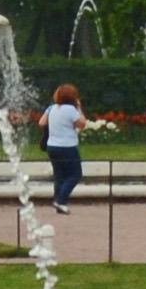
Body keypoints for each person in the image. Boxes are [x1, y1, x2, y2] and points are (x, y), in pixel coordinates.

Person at [44, 82, 83, 216]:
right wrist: (79, 108)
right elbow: (82, 123)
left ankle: (58, 201)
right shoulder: (71, 109)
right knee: (75, 174)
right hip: (67, 146)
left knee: (59, 175)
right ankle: (61, 200)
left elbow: (42, 122)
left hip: (52, 145)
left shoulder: (51, 108)